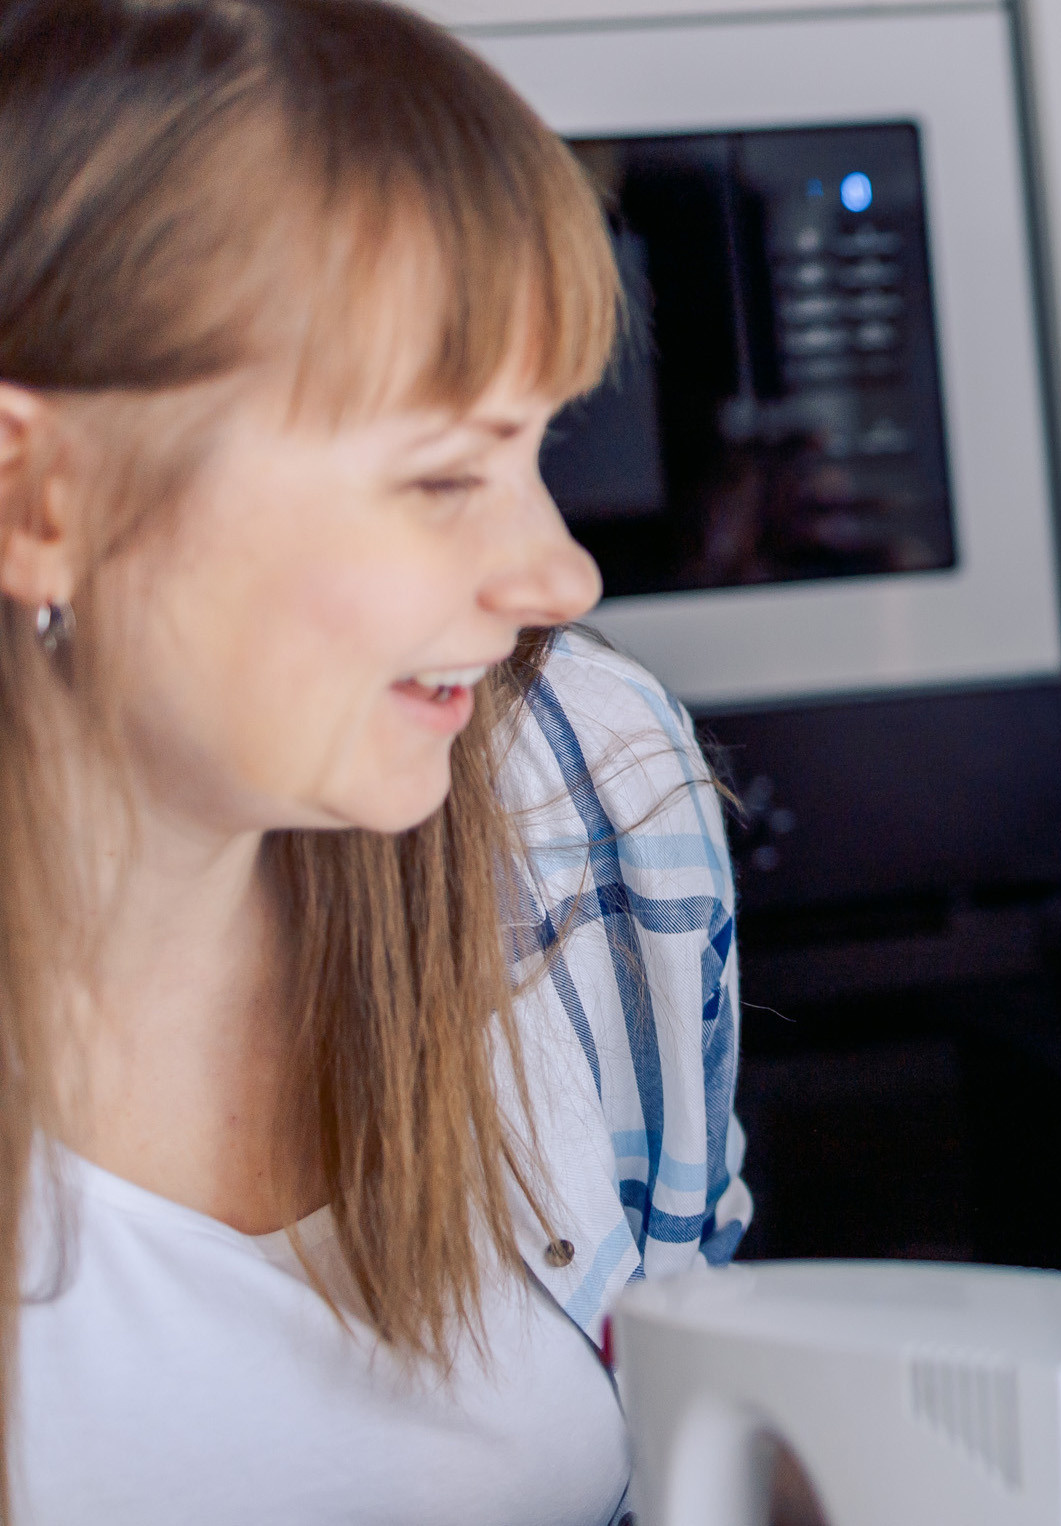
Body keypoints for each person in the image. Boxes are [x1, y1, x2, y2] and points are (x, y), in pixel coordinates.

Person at [0, 3, 747, 1521]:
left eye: (540, 448)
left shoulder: (585, 784)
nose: (559, 574)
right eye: (441, 475)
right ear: (37, 500)